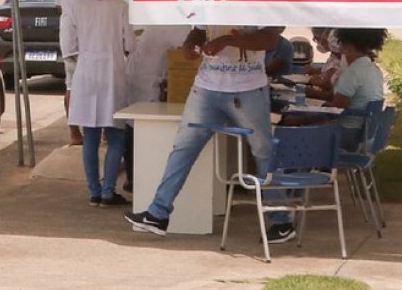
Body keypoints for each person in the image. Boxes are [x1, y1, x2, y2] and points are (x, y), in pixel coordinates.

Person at [124, 25, 292, 242]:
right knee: (183, 147)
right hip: (206, 87)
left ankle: (281, 220)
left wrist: (226, 41)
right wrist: (190, 44)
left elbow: (270, 39)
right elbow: (199, 30)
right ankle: (158, 213)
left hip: (248, 89)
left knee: (262, 150)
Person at [61, 0, 135, 207]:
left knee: (90, 136)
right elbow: (130, 44)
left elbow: (69, 45)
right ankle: (107, 191)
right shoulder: (121, 8)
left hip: (85, 73)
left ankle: (93, 190)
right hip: (112, 73)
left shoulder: (77, 8)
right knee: (115, 135)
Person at [280, 28, 387, 150]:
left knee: (290, 129)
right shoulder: (374, 70)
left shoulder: (352, 73)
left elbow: (335, 111)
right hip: (365, 132)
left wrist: (301, 118)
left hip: (348, 134)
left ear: (348, 46)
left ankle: (298, 165)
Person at [57, 0, 111, 146]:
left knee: (72, 85)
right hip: (92, 38)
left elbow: (60, 7)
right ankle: (105, 129)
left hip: (68, 37)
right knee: (102, 85)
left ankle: (74, 133)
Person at [123, 24, 189, 192]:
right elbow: (186, 51)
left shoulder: (163, 21)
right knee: (138, 130)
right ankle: (135, 178)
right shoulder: (178, 25)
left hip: (142, 78)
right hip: (149, 82)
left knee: (134, 127)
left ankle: (133, 178)